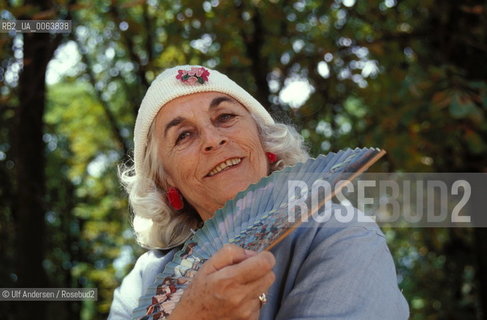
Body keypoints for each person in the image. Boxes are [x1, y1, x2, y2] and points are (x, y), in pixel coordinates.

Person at [108, 65, 410, 320]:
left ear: (264, 141)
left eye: (225, 117)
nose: (213, 140)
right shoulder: (143, 281)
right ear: (165, 182)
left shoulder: (337, 233)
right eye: (184, 135)